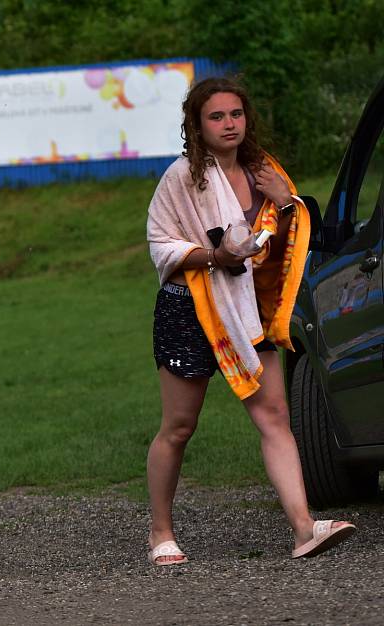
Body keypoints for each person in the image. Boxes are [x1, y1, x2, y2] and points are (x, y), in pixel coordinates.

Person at [145, 77, 356, 566]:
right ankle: (161, 533)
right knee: (179, 427)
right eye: (216, 117)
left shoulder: (264, 172)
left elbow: (288, 247)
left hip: (248, 310)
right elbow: (160, 244)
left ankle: (304, 529)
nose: (228, 124)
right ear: (197, 125)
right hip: (189, 308)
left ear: (247, 118)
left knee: (274, 417)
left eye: (235, 114)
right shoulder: (183, 177)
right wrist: (215, 255)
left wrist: (286, 202)